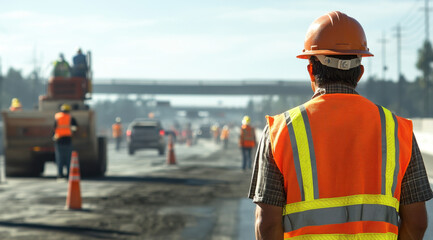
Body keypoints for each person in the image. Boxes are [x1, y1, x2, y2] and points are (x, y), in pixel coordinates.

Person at [249, 11, 432, 240]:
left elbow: (266, 225)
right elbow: (417, 223)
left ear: (311, 70)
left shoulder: (280, 131)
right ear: (360, 72)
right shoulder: (397, 130)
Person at [53, 104, 78, 179]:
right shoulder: (71, 118)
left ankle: (60, 175)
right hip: (68, 140)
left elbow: (54, 127)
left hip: (59, 140)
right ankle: (68, 174)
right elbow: (75, 128)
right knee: (68, 159)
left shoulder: (57, 117)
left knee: (59, 159)